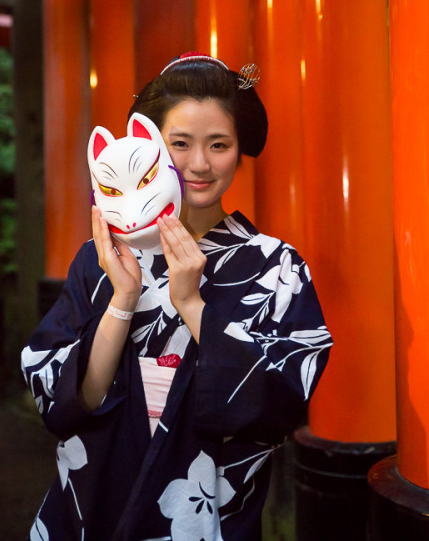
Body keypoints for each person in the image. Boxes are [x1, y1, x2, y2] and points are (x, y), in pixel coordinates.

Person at [22, 53, 333, 541]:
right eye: (180, 144)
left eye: (220, 145)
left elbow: (279, 405)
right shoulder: (101, 258)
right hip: (92, 502)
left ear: (239, 150)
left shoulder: (277, 266)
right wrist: (123, 297)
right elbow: (61, 401)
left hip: (204, 513)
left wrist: (192, 305)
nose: (201, 164)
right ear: (150, 148)